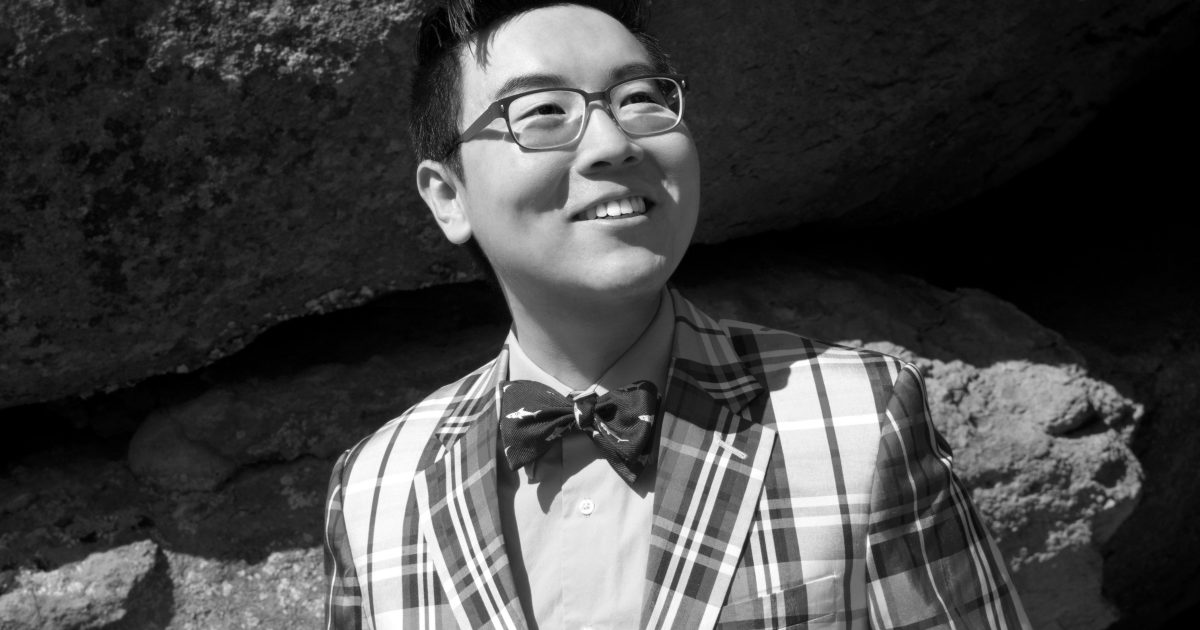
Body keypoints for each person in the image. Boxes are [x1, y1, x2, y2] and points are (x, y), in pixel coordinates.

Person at [323, 1, 1030, 628]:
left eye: (640, 98)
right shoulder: (376, 488)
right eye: (542, 112)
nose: (613, 143)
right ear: (449, 197)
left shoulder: (856, 419)